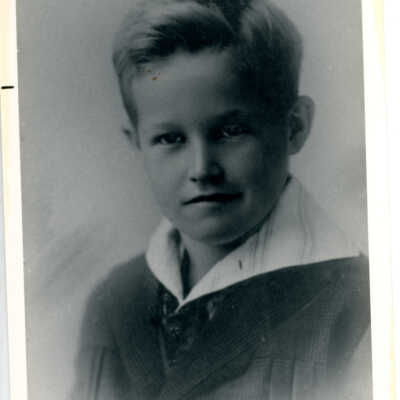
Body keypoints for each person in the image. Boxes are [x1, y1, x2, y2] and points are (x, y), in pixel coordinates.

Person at [71, 1, 371, 399]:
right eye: (170, 139)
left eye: (231, 131)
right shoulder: (114, 301)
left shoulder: (359, 305)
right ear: (136, 142)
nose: (202, 168)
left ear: (294, 127)